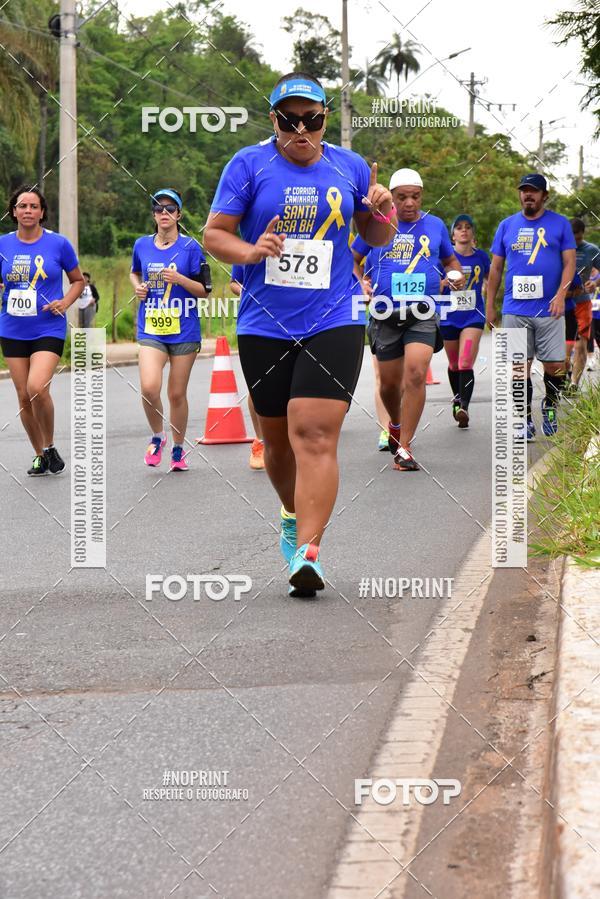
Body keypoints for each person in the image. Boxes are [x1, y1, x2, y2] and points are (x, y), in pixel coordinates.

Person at [204, 72, 396, 596]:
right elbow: (215, 234)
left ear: (325, 119)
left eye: (311, 119)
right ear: (275, 121)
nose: (301, 129)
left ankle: (309, 551)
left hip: (333, 317)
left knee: (313, 433)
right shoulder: (248, 165)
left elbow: (376, 236)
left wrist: (381, 208)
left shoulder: (350, 166)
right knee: (275, 442)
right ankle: (291, 514)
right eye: (290, 120)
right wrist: (250, 252)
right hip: (264, 322)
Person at [351, 168, 465, 470]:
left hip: (423, 312)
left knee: (415, 373)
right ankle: (396, 424)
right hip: (385, 313)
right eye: (402, 197)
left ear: (422, 196)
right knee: (389, 386)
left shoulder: (436, 225)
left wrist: (456, 276)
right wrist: (360, 282)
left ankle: (405, 446)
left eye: (415, 197)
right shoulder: (378, 224)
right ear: (392, 197)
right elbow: (352, 259)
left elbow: (450, 260)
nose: (409, 203)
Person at [0, 186, 84, 476]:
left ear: (42, 212)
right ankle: (39, 455)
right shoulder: (3, 244)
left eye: (34, 206)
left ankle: (49, 446)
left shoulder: (58, 244)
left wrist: (65, 302)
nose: (28, 211)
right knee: (23, 396)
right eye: (22, 206)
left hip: (48, 326)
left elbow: (77, 281)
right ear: (13, 211)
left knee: (37, 387)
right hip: (12, 328)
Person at [486, 174, 576, 440]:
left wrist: (561, 295)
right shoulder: (506, 225)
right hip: (515, 309)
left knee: (555, 367)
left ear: (544, 195)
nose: (528, 195)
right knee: (517, 368)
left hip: (550, 309)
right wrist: (490, 305)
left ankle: (550, 404)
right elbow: (496, 268)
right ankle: (523, 420)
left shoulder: (560, 225)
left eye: (534, 191)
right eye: (524, 191)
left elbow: (570, 263)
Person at [130, 189, 211, 472]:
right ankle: (157, 436)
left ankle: (178, 449)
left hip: (184, 330)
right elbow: (135, 271)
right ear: (153, 215)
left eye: (169, 208)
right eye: (158, 208)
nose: (164, 213)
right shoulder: (141, 245)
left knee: (176, 393)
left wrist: (180, 279)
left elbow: (205, 291)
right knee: (149, 387)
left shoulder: (191, 248)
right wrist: (137, 288)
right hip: (151, 327)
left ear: (179, 214)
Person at [439, 214, 490, 428]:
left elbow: (489, 278)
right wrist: (445, 282)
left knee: (465, 362)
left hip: (473, 316)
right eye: (459, 227)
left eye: (468, 227)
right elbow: (436, 283)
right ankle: (457, 398)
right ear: (452, 234)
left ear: (472, 233)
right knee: (453, 364)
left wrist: (486, 294)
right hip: (449, 316)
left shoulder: (481, 257)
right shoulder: (443, 259)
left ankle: (464, 408)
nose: (464, 230)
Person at [230, 264, 265, 470]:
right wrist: (248, 291)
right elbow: (234, 282)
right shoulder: (250, 239)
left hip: (301, 319)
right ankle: (260, 441)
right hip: (257, 322)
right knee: (258, 385)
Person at [569, 218, 600, 388]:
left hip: (582, 305)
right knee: (563, 347)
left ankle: (574, 383)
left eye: (578, 239)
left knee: (580, 346)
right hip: (560, 305)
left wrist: (595, 283)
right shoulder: (557, 248)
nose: (575, 242)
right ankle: (562, 378)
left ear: (583, 234)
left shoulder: (592, 250)